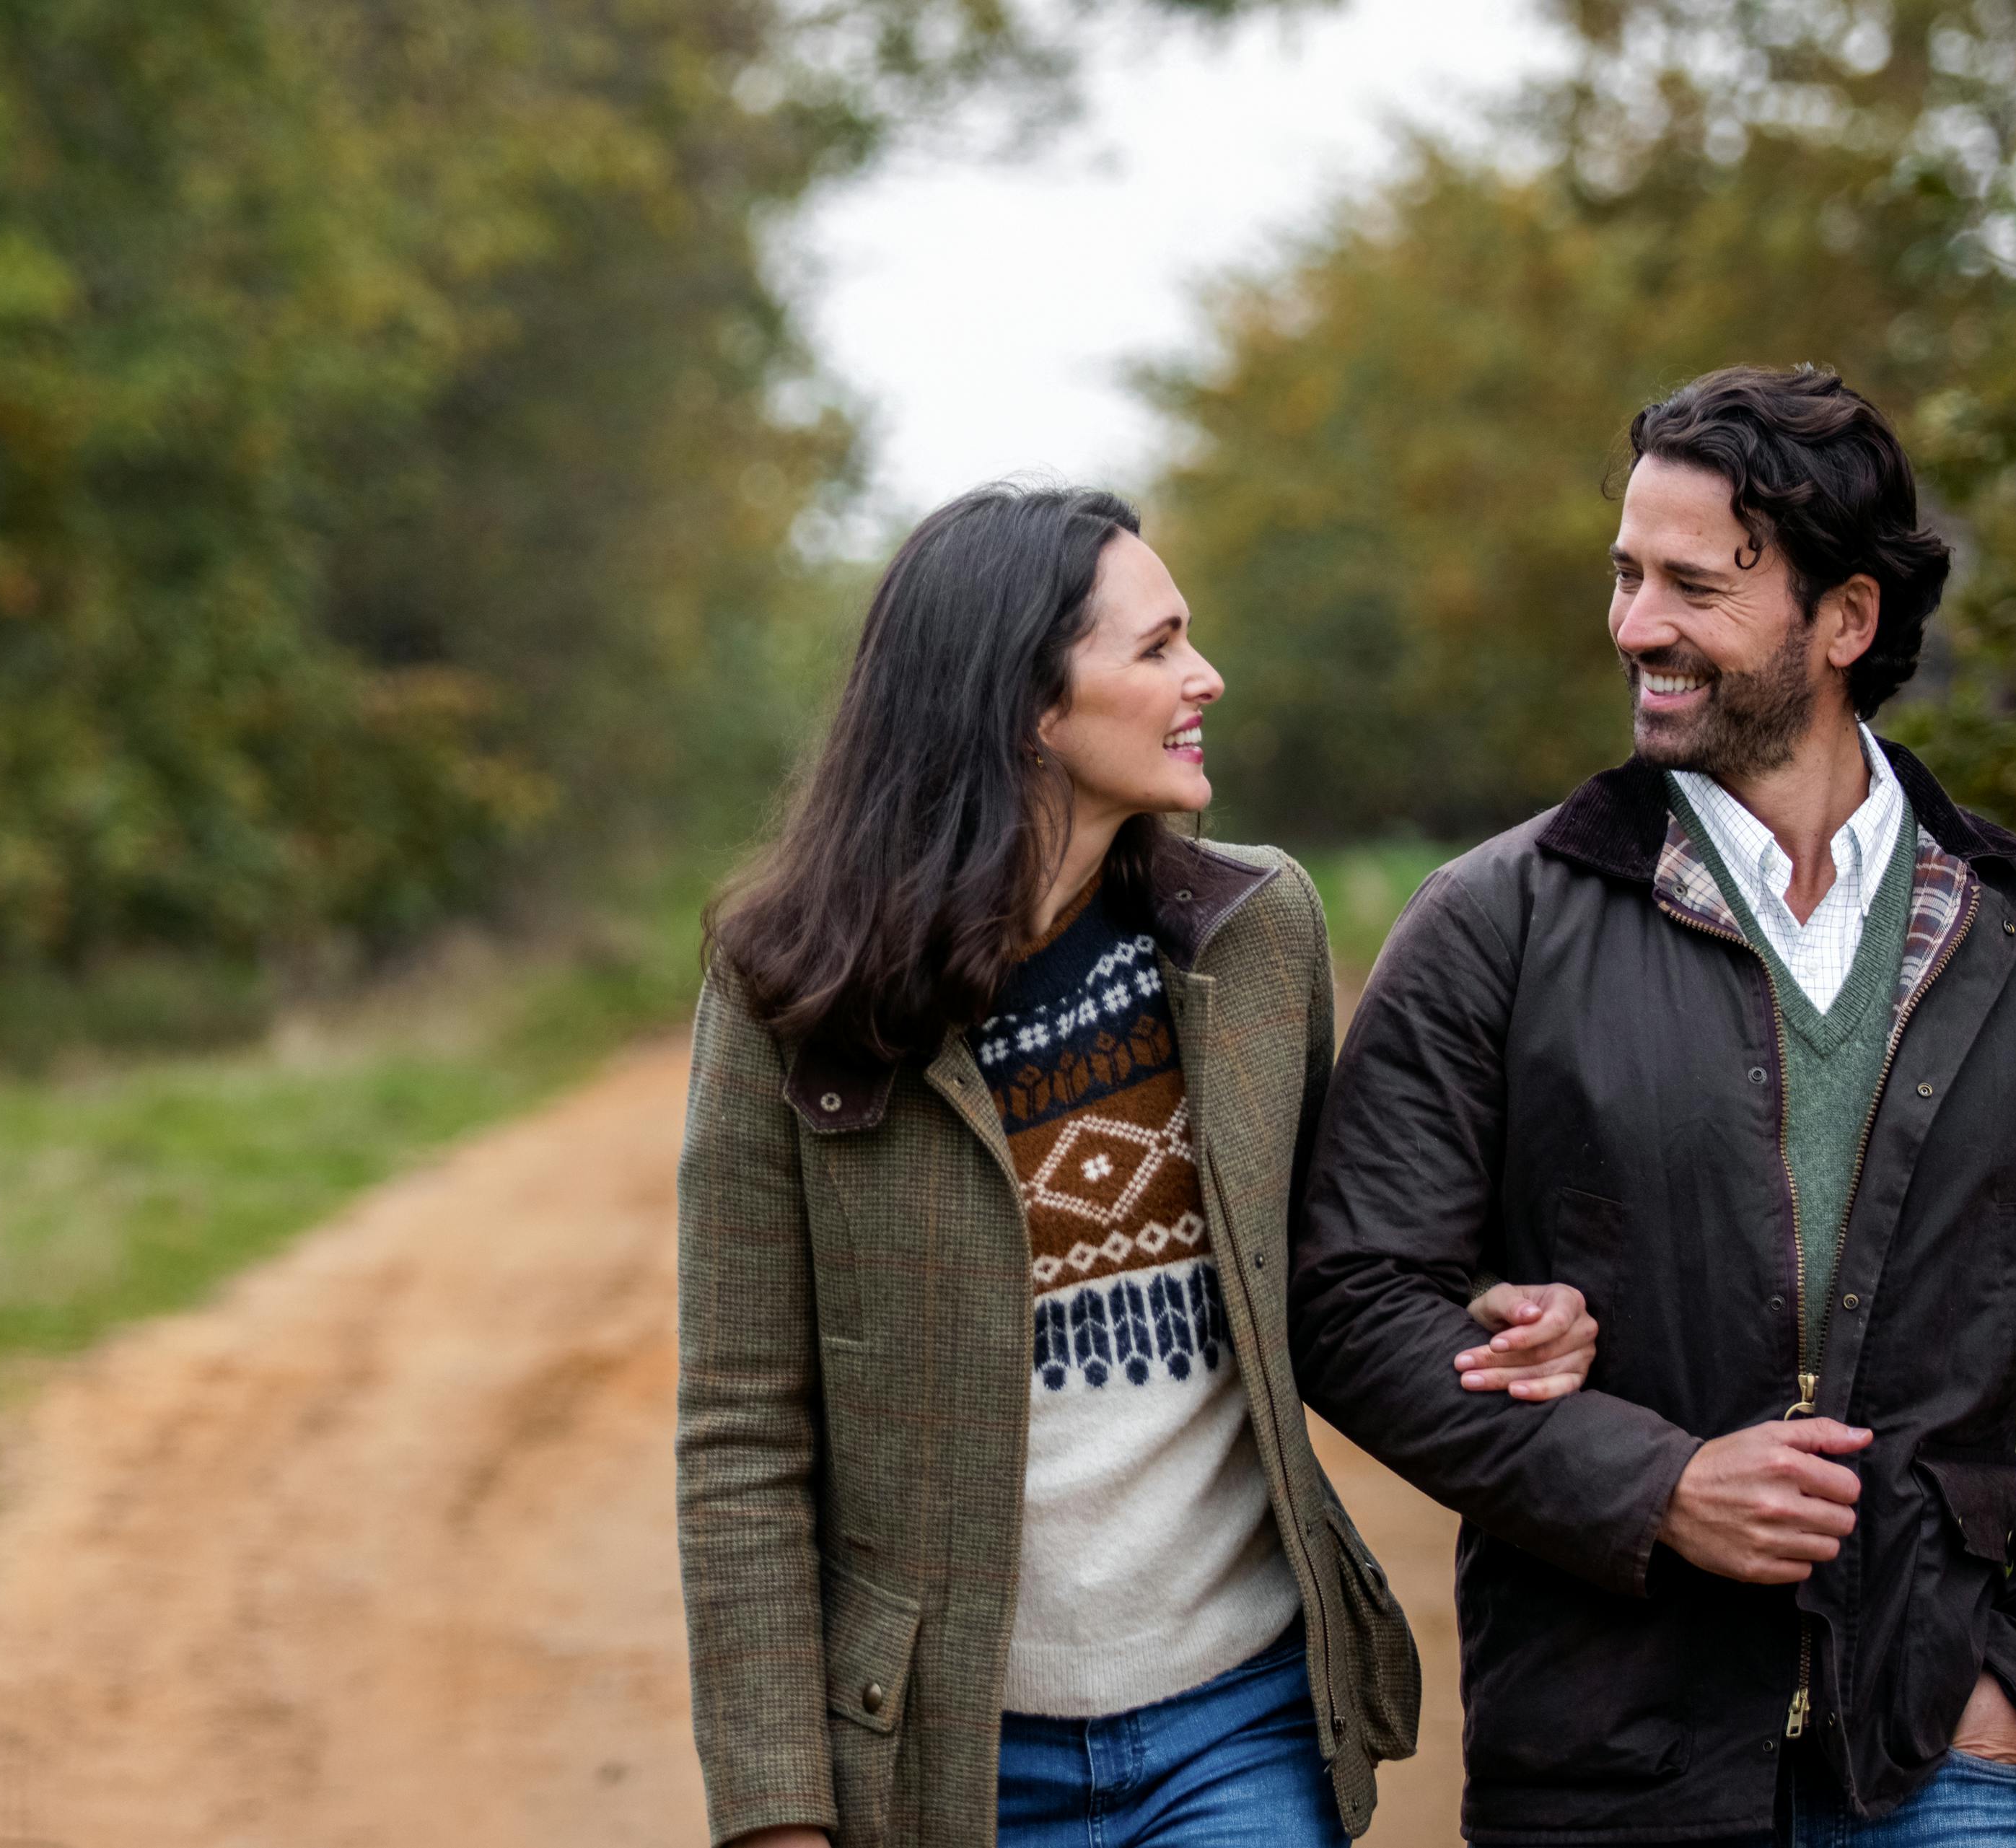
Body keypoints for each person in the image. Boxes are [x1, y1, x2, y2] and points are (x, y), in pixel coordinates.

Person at [675, 483, 1603, 1848]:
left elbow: (1332, 1260)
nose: (1203, 676)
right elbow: (742, 1434)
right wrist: (775, 1817)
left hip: (1238, 1727)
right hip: (954, 1762)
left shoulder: (1254, 934)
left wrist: (1495, 1312)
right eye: (1158, 647)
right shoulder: (787, 996)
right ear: (1029, 706)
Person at [1290, 365, 2016, 1848]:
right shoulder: (1494, 922)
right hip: (1611, 1766)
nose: (1634, 628)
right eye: (1625, 576)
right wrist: (1658, 1486)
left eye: (1693, 585)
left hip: (1943, 1767)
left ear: (1847, 620)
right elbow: (1354, 1298)